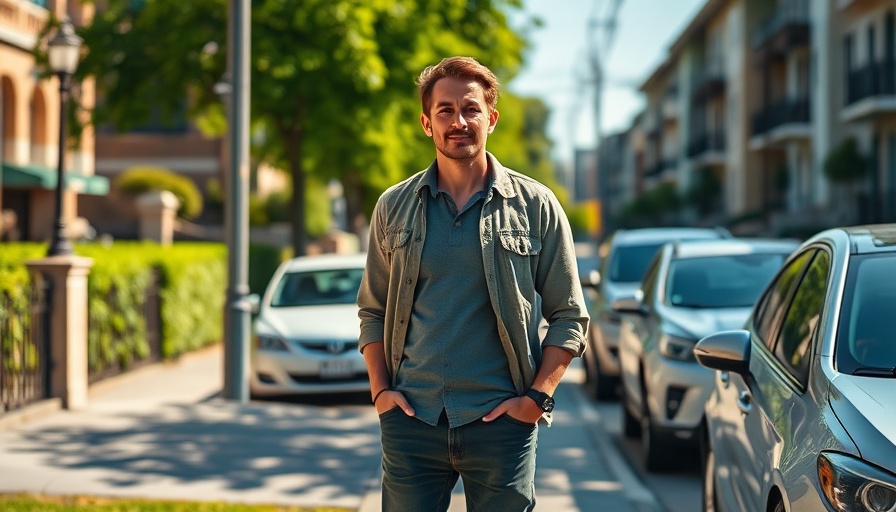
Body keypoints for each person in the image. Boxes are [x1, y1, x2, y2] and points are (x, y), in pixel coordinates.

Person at [357, 56, 589, 511]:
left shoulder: (536, 206)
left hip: (503, 425)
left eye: (470, 109)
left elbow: (570, 316)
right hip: (411, 421)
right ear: (427, 123)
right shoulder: (393, 206)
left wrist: (536, 400)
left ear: (491, 118)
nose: (458, 121)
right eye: (445, 110)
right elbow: (373, 309)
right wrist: (381, 393)